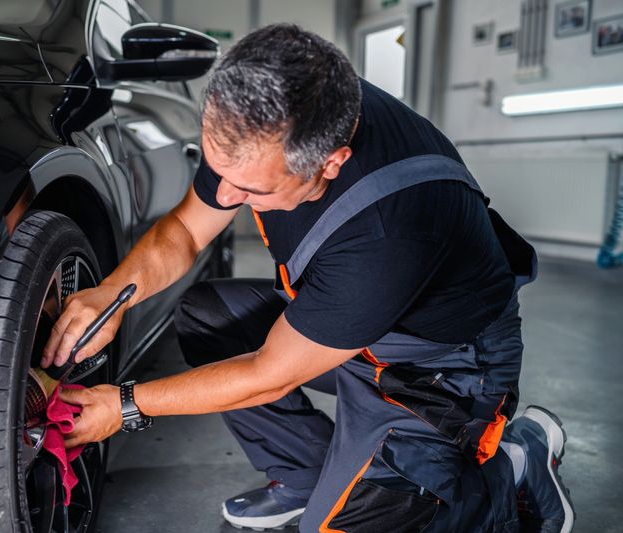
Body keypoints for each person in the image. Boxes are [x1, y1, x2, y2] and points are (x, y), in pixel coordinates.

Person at [42, 24, 574, 532]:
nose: (224, 198)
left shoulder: (388, 231)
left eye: (250, 190)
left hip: (438, 372)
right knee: (210, 316)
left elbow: (270, 373)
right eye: (218, 172)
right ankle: (309, 476)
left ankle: (509, 476)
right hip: (349, 328)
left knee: (338, 529)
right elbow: (184, 229)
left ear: (331, 162)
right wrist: (112, 293)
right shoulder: (266, 117)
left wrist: (125, 405)